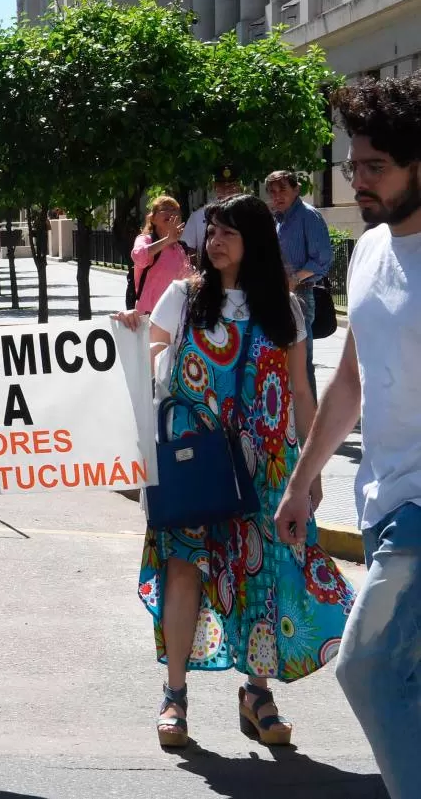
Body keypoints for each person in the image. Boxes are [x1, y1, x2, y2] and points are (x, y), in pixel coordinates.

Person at [115, 195, 353, 749]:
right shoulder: (185, 296)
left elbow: (300, 392)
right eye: (212, 231)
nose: (214, 241)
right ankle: (174, 695)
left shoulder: (285, 308)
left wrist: (311, 469)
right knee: (183, 567)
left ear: (255, 243)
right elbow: (146, 350)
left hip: (267, 463)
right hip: (195, 460)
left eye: (228, 232)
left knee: (261, 575)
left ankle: (257, 693)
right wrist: (131, 328)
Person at [273, 73, 421, 798]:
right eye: (352, 164)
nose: (358, 180)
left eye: (376, 168)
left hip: (419, 516)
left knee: (366, 664)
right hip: (382, 504)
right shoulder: (365, 252)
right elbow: (352, 383)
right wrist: (302, 482)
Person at [265, 170, 333, 399]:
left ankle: (309, 425)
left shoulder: (308, 216)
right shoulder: (278, 219)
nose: (277, 196)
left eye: (283, 189)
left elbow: (323, 258)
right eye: (272, 192)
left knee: (301, 360)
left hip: (301, 296)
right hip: (279, 296)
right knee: (282, 359)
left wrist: (294, 279)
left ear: (296, 189)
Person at [129, 196, 193, 314]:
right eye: (165, 209)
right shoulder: (146, 240)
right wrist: (166, 240)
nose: (170, 212)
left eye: (174, 209)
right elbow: (138, 256)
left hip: (175, 314)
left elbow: (188, 280)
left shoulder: (181, 247)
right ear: (153, 219)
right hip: (149, 315)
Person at [183, 166, 242, 254]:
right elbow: (189, 251)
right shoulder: (198, 216)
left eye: (231, 186)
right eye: (222, 186)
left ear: (238, 187)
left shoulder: (248, 214)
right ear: (215, 187)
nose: (227, 190)